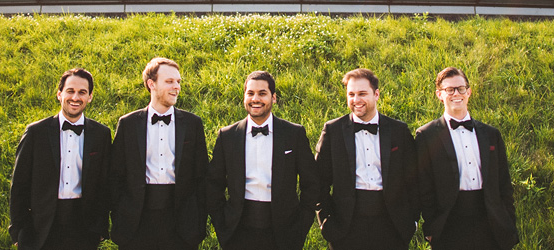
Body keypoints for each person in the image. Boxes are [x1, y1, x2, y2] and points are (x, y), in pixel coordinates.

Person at [206, 70, 320, 250]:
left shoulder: (294, 134)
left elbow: (312, 183)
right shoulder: (227, 136)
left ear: (273, 98)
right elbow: (213, 184)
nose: (255, 99)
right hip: (237, 231)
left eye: (262, 93)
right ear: (244, 96)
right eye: (250, 93)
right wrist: (222, 223)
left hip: (284, 231)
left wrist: (301, 224)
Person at [314, 68, 420, 249]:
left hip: (391, 224)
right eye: (351, 94)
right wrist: (326, 221)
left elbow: (414, 179)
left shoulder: (398, 131)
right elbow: (318, 181)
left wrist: (412, 221)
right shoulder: (333, 131)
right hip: (346, 225)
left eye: (362, 93)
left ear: (376, 94)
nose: (356, 100)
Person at [110, 57, 208, 250]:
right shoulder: (128, 124)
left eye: (178, 82)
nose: (176, 87)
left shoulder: (192, 124)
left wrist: (197, 220)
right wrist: (120, 213)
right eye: (169, 81)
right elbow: (115, 175)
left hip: (181, 223)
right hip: (137, 221)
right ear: (151, 84)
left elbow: (202, 176)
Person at [415, 67, 519, 250]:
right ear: (439, 94)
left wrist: (508, 220)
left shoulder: (491, 134)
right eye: (449, 90)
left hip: (490, 219)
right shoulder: (426, 135)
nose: (456, 94)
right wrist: (432, 226)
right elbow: (424, 186)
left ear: (469, 92)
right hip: (450, 222)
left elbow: (504, 182)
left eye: (461, 88)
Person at [8, 68, 112, 250]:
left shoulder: (101, 134)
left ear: (90, 97)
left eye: (82, 92)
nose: (75, 97)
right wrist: (18, 230)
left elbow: (104, 184)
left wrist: (100, 227)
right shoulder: (36, 132)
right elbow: (19, 184)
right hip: (41, 226)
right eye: (70, 91)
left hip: (84, 227)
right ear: (59, 94)